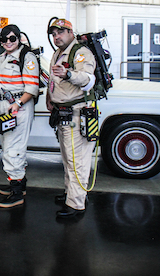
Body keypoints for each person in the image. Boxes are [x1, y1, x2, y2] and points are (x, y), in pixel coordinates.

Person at [45, 18, 97, 218]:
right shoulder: (58, 53)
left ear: (70, 32)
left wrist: (68, 74)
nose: (56, 37)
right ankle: (72, 193)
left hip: (76, 112)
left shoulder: (80, 53)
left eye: (60, 32)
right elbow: (53, 80)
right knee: (68, 158)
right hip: (63, 112)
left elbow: (87, 79)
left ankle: (76, 205)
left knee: (77, 160)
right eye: (54, 34)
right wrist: (50, 97)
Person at [0, 25, 39, 208]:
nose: (8, 42)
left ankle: (17, 192)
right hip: (4, 107)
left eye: (12, 38)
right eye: (4, 39)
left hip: (18, 107)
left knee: (13, 149)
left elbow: (32, 89)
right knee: (9, 146)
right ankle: (18, 183)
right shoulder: (3, 57)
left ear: (19, 38)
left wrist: (18, 104)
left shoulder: (27, 57)